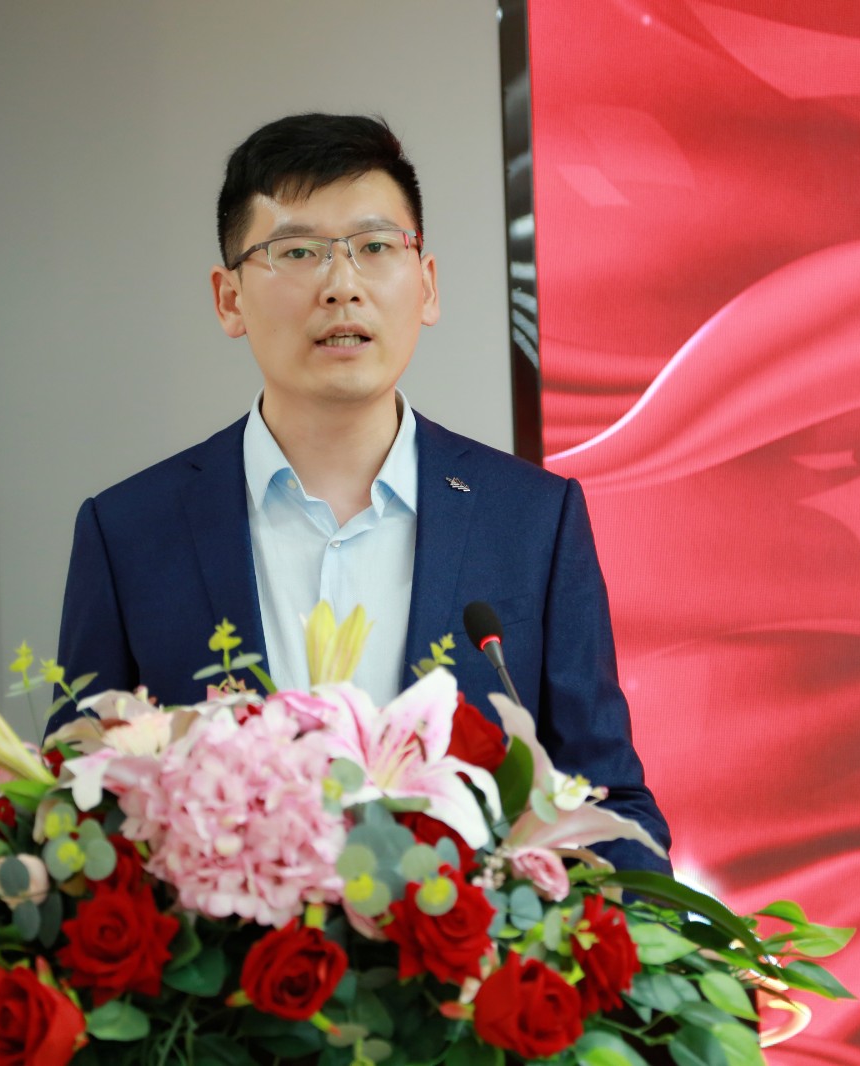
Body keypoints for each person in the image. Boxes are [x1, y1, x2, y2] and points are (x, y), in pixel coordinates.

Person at [51, 113, 671, 872]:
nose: (341, 286)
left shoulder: (533, 521)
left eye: (376, 247)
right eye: (297, 252)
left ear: (427, 285)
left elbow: (607, 803)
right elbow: (75, 809)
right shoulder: (130, 533)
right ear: (229, 299)